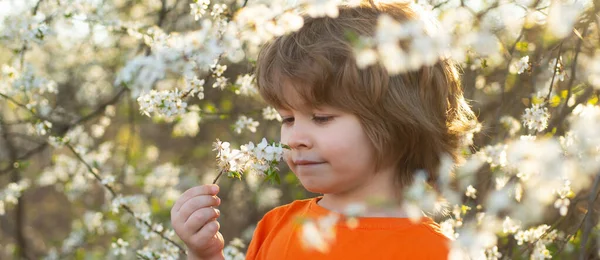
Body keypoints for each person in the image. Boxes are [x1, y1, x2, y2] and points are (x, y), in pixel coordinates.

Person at [170, 1, 477, 259]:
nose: (294, 140)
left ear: (398, 120)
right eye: (287, 119)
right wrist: (206, 255)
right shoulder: (277, 226)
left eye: (321, 117)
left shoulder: (435, 252)